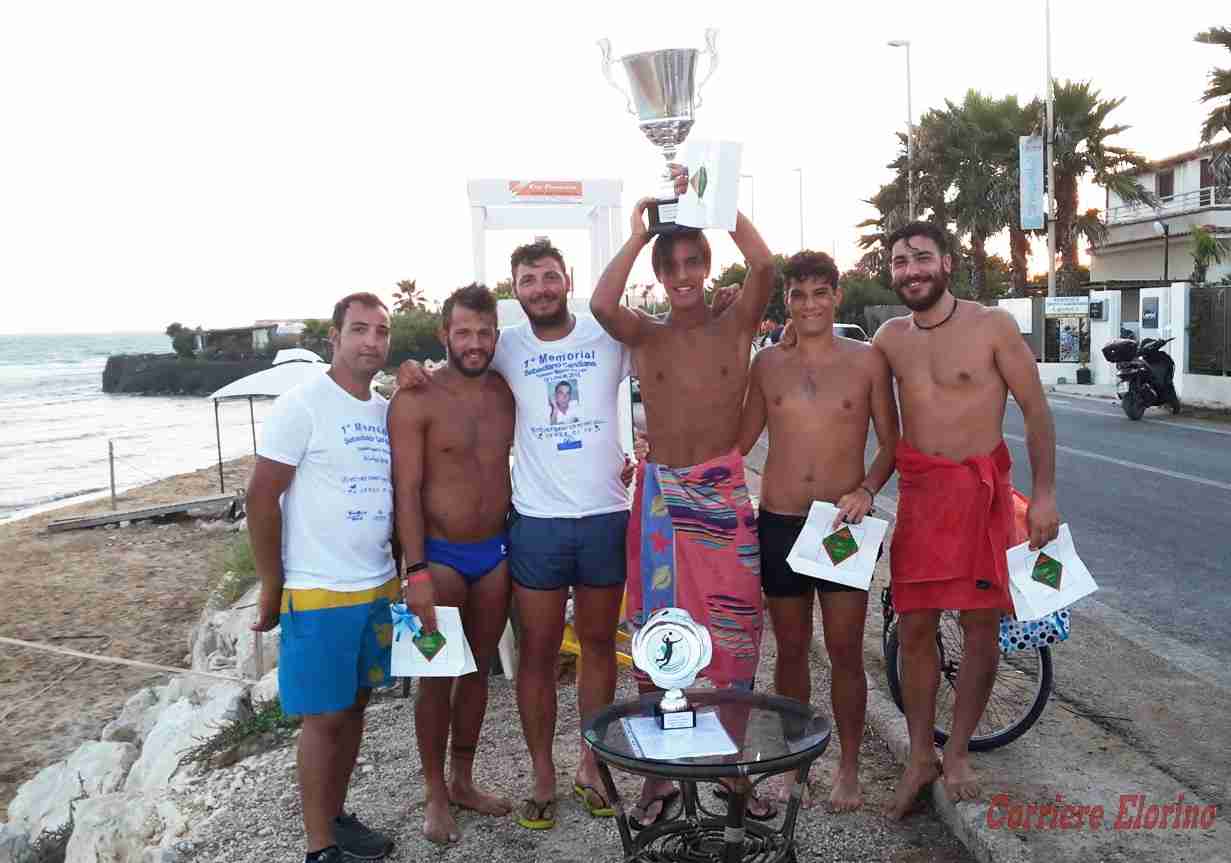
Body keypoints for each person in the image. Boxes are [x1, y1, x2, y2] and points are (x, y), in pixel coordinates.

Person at [395, 243, 665, 832]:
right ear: (514, 290)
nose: (541, 287)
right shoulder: (505, 347)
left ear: (567, 279)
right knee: (536, 656)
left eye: (549, 277)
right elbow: (446, 373)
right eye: (528, 280)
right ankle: (542, 775)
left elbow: (666, 354)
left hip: (603, 515)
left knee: (597, 648)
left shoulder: (606, 333)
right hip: (535, 524)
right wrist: (406, 369)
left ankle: (591, 765)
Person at [590, 166, 778, 825]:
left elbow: (762, 261)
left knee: (733, 639)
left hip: (722, 497)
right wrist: (639, 233)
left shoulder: (736, 323)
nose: (684, 275)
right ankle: (659, 778)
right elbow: (600, 306)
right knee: (658, 636)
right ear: (660, 272)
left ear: (706, 262)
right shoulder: (646, 332)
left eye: (693, 261)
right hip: (662, 500)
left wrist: (717, 200)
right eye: (671, 265)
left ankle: (730, 771)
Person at [872, 222, 1059, 819]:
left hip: (982, 499)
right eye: (900, 261)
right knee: (917, 629)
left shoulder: (992, 326)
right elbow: (867, 416)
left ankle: (956, 754)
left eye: (922, 257)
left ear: (946, 262)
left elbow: (1036, 412)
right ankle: (919, 756)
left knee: (981, 629)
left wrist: (1046, 496)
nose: (911, 270)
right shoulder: (888, 339)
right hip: (922, 501)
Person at [739, 250, 899, 812]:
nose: (809, 304)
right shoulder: (766, 365)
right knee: (789, 649)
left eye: (819, 292)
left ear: (837, 295)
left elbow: (891, 442)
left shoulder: (868, 360)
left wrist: (868, 490)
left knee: (846, 651)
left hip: (839, 523)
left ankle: (849, 769)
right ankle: (795, 765)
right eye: (797, 294)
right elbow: (739, 441)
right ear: (787, 300)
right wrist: (672, 460)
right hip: (780, 520)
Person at [247, 292, 398, 863]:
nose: (371, 341)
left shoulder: (384, 411)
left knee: (356, 706)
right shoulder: (302, 405)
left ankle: (335, 817)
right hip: (318, 589)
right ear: (333, 338)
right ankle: (319, 848)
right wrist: (271, 582)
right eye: (359, 329)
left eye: (381, 331)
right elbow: (262, 496)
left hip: (377, 585)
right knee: (324, 716)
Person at [388, 283, 516, 845]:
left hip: (494, 551)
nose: (475, 342)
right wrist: (414, 570)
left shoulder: (507, 393)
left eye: (485, 333)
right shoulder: (413, 399)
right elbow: (406, 491)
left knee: (480, 670)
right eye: (463, 332)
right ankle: (435, 790)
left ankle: (464, 778)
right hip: (436, 558)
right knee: (434, 677)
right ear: (445, 334)